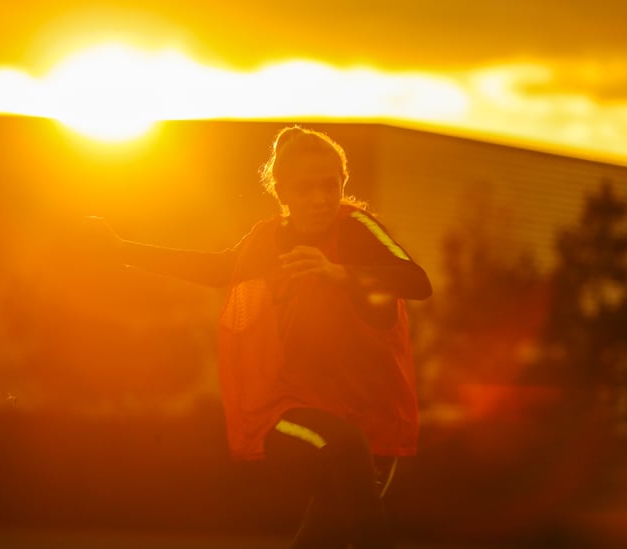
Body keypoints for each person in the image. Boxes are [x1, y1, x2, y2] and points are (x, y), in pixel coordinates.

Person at [84, 126, 431, 548]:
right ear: (281, 191)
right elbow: (218, 270)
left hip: (373, 418)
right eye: (306, 188)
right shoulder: (268, 240)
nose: (322, 198)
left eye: (332, 185)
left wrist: (339, 274)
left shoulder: (357, 228)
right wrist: (122, 250)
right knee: (342, 445)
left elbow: (417, 281)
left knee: (324, 533)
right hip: (290, 406)